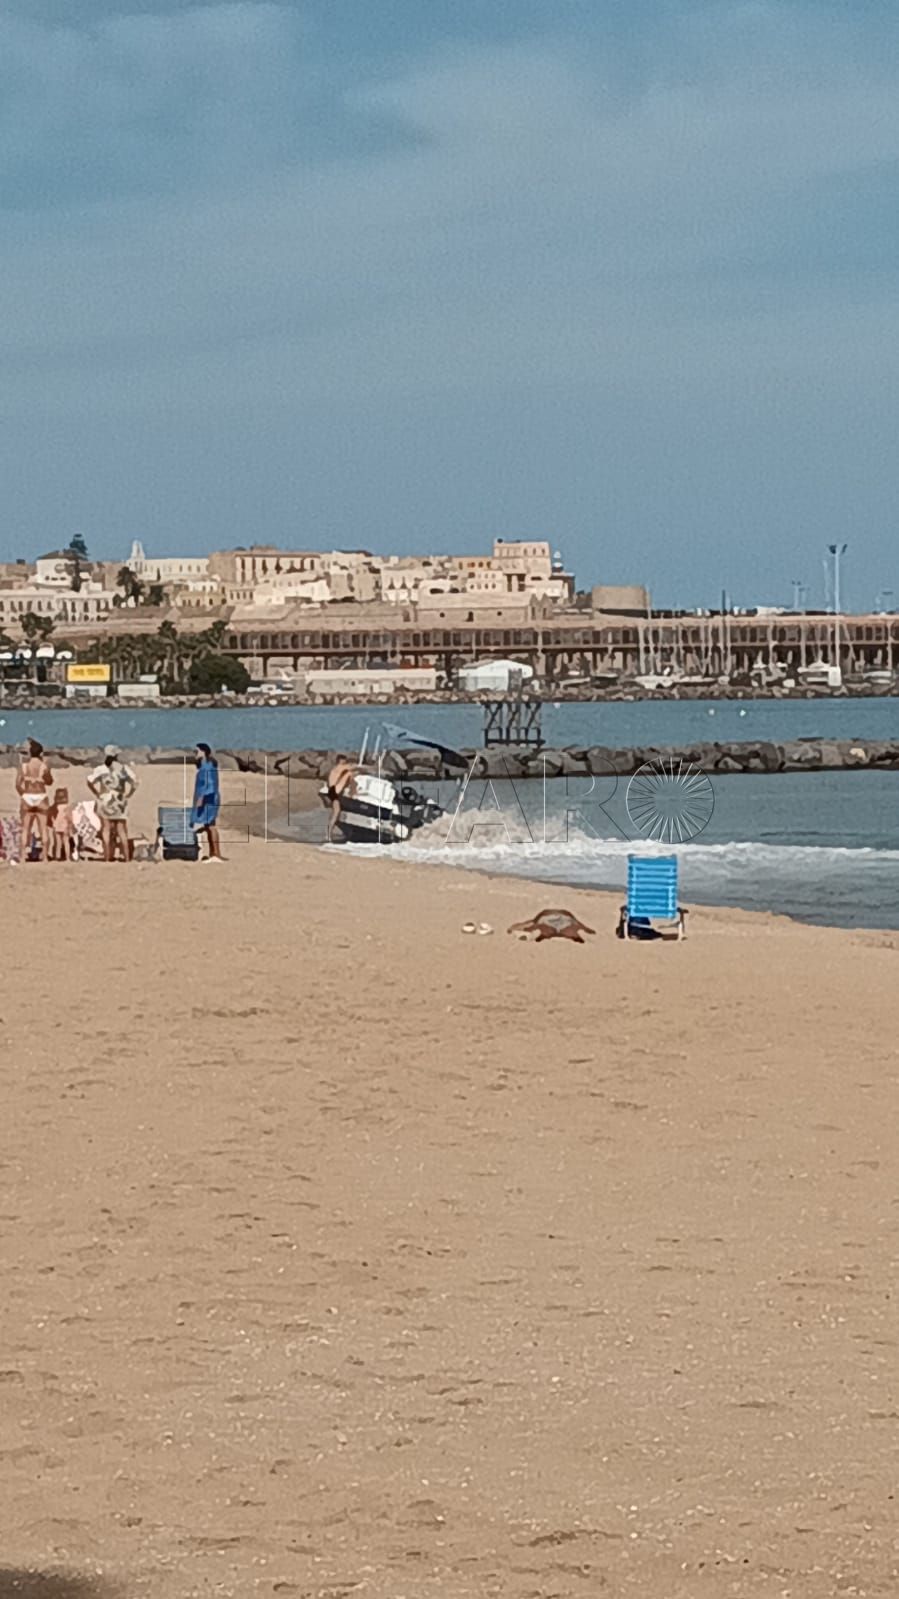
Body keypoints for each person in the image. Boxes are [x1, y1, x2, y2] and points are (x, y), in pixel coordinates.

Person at [87, 745, 137, 862]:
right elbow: (135, 782)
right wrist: (129, 794)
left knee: (106, 829)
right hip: (119, 799)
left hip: (105, 798)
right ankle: (126, 857)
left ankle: (106, 857)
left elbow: (89, 781)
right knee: (122, 830)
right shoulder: (123, 769)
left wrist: (97, 792)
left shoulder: (101, 769)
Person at [16, 738, 53, 863]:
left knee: (25, 828)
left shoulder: (24, 766)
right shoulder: (43, 766)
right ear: (41, 753)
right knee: (43, 828)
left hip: (28, 795)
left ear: (30, 753)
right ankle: (45, 857)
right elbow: (49, 782)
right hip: (41, 796)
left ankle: (22, 856)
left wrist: (23, 795)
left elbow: (17, 784)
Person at [190, 743, 222, 862]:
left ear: (203, 752)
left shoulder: (208, 767)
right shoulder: (204, 766)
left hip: (209, 799)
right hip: (206, 798)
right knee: (208, 825)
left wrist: (201, 798)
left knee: (210, 826)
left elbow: (211, 785)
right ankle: (213, 853)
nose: (194, 754)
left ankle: (216, 854)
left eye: (196, 751)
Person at [325, 758, 357, 840]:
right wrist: (372, 768)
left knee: (336, 813)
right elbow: (355, 767)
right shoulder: (340, 767)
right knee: (336, 812)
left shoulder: (336, 769)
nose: (345, 762)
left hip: (333, 791)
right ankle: (328, 835)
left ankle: (331, 833)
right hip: (333, 792)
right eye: (344, 761)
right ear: (340, 761)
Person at [49, 786, 75, 862]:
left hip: (57, 825)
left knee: (58, 843)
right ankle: (67, 858)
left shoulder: (54, 807)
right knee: (66, 842)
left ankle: (57, 857)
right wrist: (70, 826)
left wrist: (53, 823)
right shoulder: (67, 807)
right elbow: (70, 818)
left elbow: (51, 817)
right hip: (65, 825)